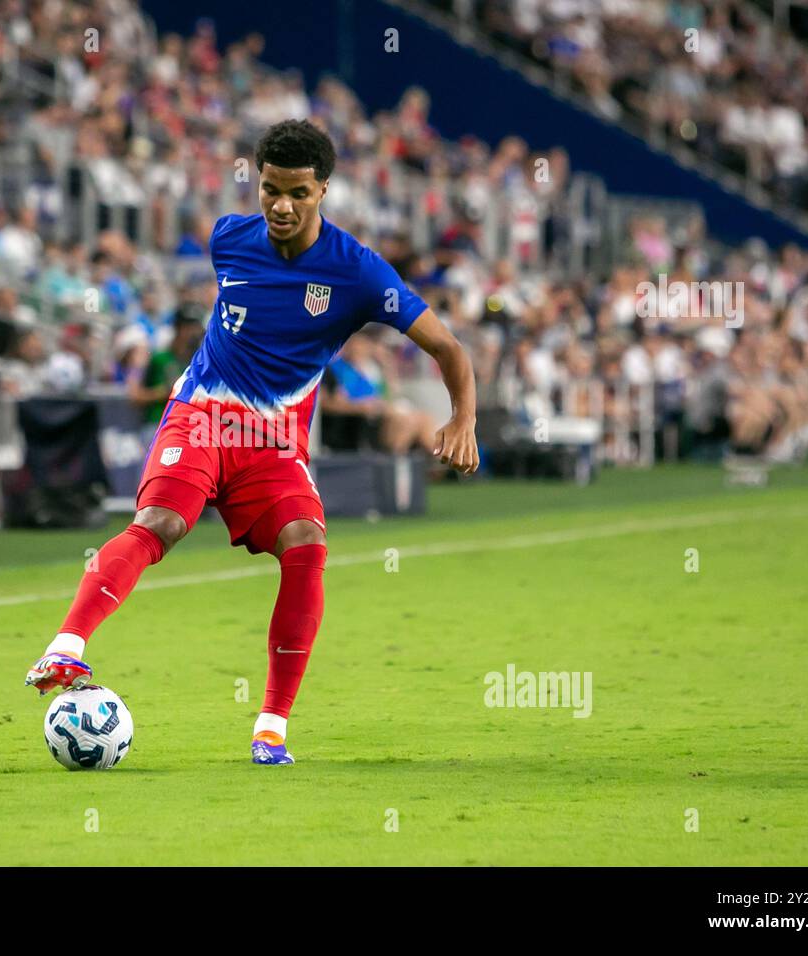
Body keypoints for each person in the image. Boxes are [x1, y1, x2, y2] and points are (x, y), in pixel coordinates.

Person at [24, 120, 479, 764]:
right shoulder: (229, 239)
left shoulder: (358, 273)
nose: (282, 206)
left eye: (298, 192)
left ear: (325, 188)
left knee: (307, 542)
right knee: (162, 521)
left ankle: (271, 725)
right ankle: (66, 648)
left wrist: (462, 418)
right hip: (202, 416)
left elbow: (448, 347)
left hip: (273, 443)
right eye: (270, 189)